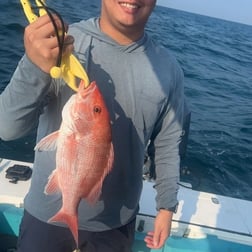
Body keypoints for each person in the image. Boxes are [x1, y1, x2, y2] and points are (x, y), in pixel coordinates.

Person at [0, 0, 186, 251]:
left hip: (115, 224)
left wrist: (166, 207)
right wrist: (34, 65)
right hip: (45, 216)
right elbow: (7, 128)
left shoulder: (169, 70)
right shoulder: (61, 43)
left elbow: (167, 144)